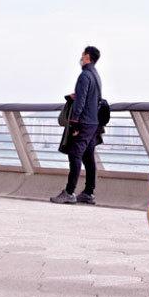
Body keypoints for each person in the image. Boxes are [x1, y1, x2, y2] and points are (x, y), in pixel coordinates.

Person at [51, 46, 103, 206]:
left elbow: (80, 102)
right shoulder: (96, 75)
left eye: (82, 55)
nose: (81, 58)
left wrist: (74, 122)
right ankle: (88, 193)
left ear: (87, 57)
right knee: (88, 157)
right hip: (93, 122)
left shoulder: (84, 75)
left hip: (84, 122)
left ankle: (69, 192)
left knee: (74, 155)